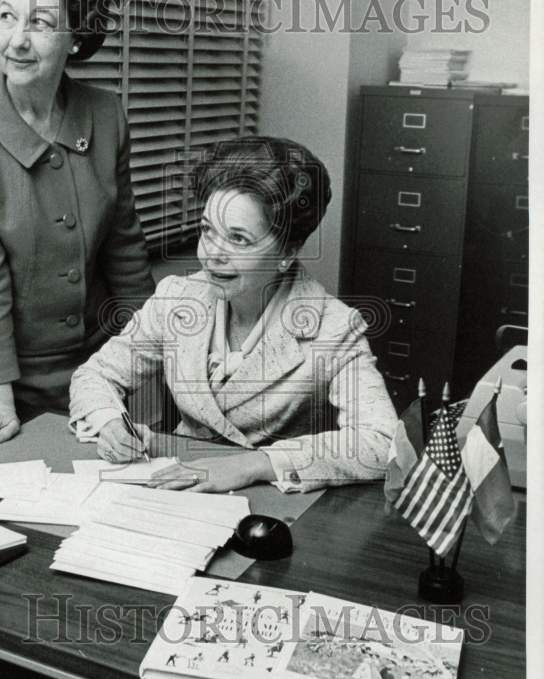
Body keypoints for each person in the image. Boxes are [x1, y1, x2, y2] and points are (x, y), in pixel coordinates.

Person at [69, 136, 397, 493]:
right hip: (178, 482)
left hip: (272, 500)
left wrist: (253, 465)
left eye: (239, 239)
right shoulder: (177, 298)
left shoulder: (333, 327)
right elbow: (95, 374)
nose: (212, 255)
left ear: (287, 250)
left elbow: (380, 442)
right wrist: (111, 423)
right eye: (208, 230)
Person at [0, 0, 154, 451]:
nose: (16, 40)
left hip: (104, 369)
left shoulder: (106, 113)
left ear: (76, 36)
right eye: (8, 17)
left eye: (39, 22)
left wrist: (154, 361)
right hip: (10, 384)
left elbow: (124, 248)